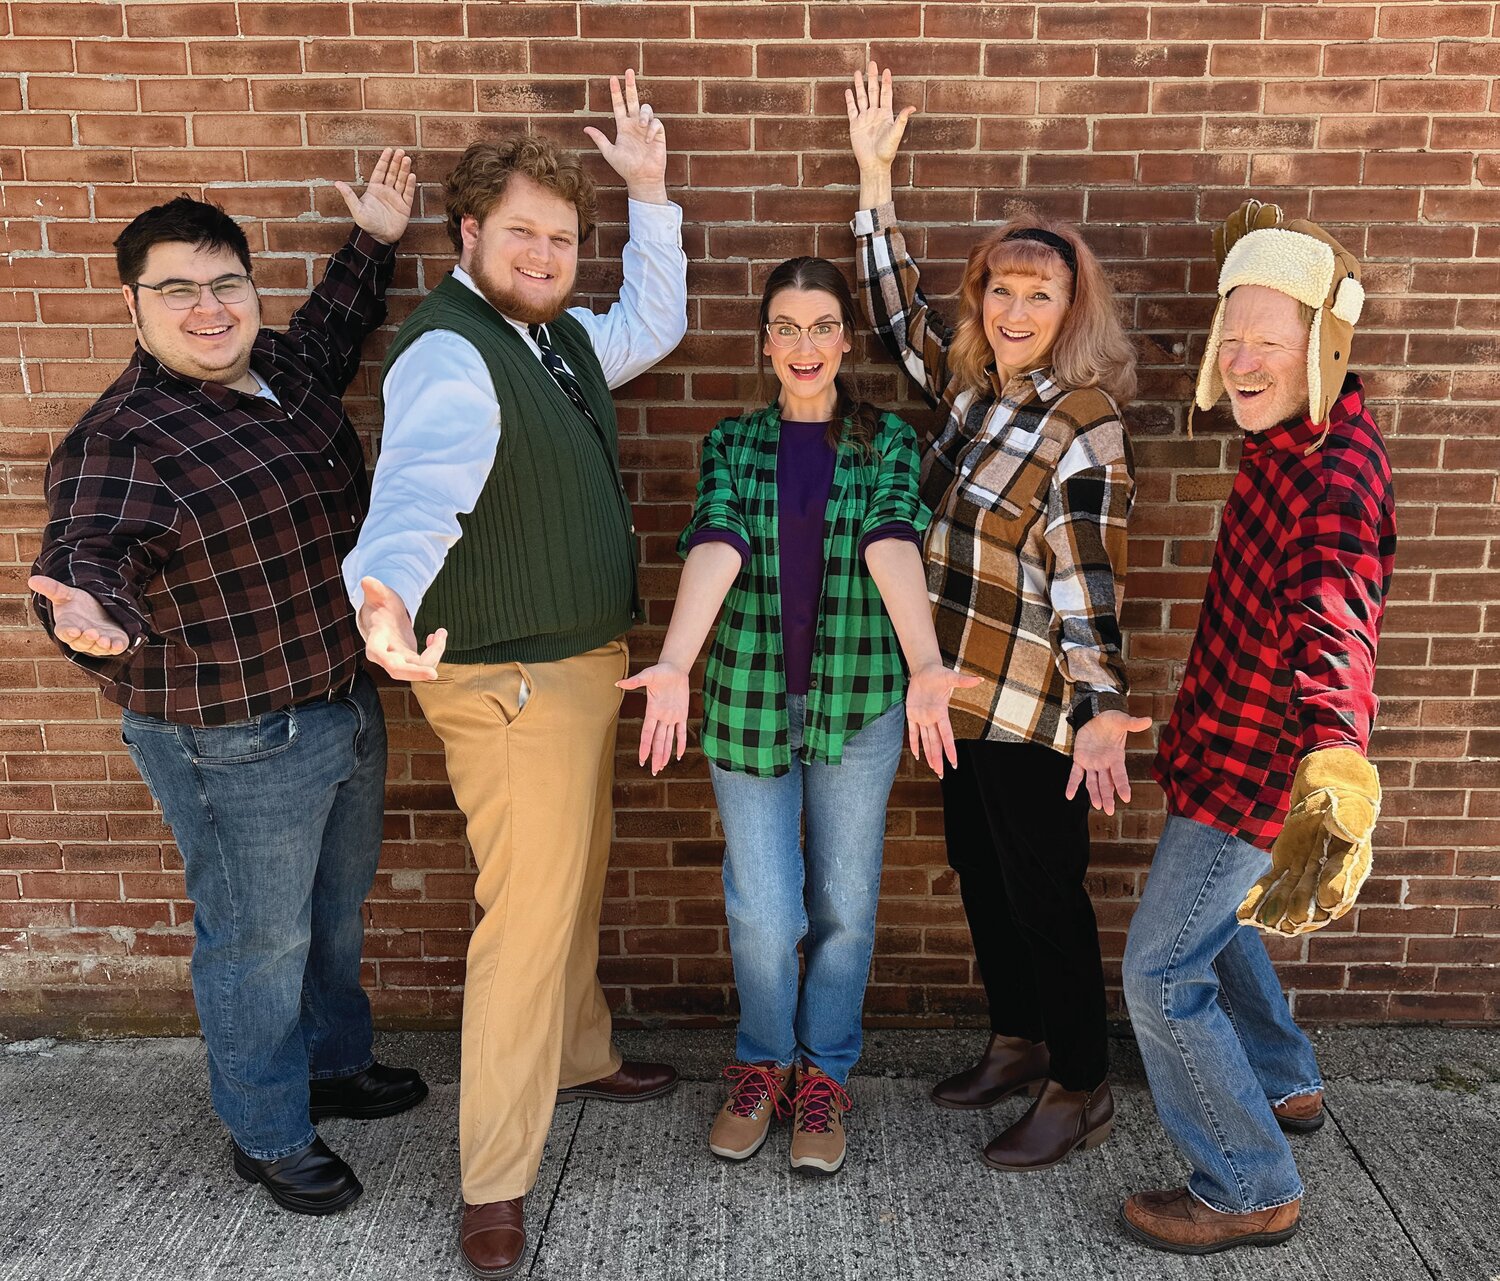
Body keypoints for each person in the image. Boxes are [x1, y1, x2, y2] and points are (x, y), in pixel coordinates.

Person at [29, 152, 427, 1216]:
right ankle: (266, 1129)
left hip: (338, 698)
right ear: (132, 304)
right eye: (177, 290)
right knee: (258, 937)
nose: (207, 310)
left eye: (225, 285)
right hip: (232, 737)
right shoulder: (123, 441)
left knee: (333, 916)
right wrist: (89, 616)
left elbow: (335, 329)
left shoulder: (280, 370)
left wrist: (376, 240)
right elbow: (87, 555)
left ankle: (333, 1069)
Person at [342, 72, 688, 1278]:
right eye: (521, 232)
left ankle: (581, 1049)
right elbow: (416, 497)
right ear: (469, 234)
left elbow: (651, 324)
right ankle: (493, 1180)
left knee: (572, 875)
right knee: (526, 921)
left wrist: (650, 197)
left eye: (562, 235)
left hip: (575, 664)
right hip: (511, 684)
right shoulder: (452, 355)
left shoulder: (553, 340)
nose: (544, 252)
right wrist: (381, 596)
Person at [846, 64, 1148, 1171]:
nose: (1015, 312)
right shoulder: (975, 393)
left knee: (1044, 896)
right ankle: (1018, 1039)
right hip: (959, 696)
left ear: (1073, 312)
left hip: (1034, 710)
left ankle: (1082, 1081)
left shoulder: (1082, 420)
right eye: (1000, 293)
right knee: (982, 877)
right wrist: (874, 182)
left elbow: (1084, 571)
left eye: (1041, 297)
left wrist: (1104, 709)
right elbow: (898, 324)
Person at [620, 257, 976, 1176]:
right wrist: (675, 660)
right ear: (765, 343)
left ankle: (824, 1073)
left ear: (847, 340)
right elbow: (718, 542)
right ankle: (763, 1061)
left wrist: (928, 659)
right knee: (766, 908)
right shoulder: (734, 444)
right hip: (747, 700)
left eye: (823, 326)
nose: (805, 344)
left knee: (845, 906)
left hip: (860, 704)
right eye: (787, 327)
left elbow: (890, 534)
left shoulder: (886, 443)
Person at [1120, 200, 1396, 1254]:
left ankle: (1246, 1182)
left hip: (1260, 772)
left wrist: (1337, 760)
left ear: (1321, 344)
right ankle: (1283, 1083)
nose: (1242, 358)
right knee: (1216, 929)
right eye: (1231, 335)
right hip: (1224, 745)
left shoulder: (1329, 477)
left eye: (1269, 342)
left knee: (1160, 972)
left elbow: (1337, 618)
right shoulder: (1291, 435)